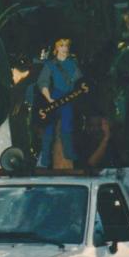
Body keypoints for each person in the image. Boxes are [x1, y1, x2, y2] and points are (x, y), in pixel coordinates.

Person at [36, 38, 83, 168]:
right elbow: (43, 82)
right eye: (62, 45)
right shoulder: (50, 64)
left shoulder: (73, 64)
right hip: (55, 95)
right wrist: (49, 98)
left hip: (69, 97)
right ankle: (45, 158)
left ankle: (68, 152)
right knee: (50, 126)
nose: (65, 48)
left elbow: (80, 81)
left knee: (67, 123)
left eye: (67, 45)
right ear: (57, 48)